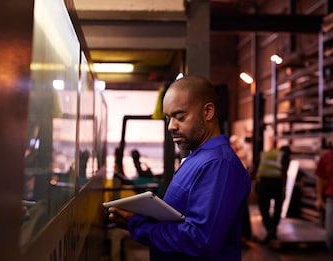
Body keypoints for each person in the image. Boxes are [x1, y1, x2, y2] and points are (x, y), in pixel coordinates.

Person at [107, 75, 251, 260]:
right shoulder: (198, 158)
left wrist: (138, 225)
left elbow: (199, 240)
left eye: (180, 117)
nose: (171, 126)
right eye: (168, 118)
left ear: (207, 112)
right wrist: (142, 218)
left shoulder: (217, 165)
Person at [255, 145, 291, 243]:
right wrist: (284, 188)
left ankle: (270, 228)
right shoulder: (284, 156)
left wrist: (254, 185)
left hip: (263, 183)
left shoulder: (264, 154)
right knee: (278, 208)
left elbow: (255, 168)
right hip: (276, 183)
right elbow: (284, 172)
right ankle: (273, 229)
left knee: (263, 208)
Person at [314, 149, 333, 255]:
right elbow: (320, 177)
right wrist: (319, 198)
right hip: (331, 199)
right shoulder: (327, 156)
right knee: (330, 235)